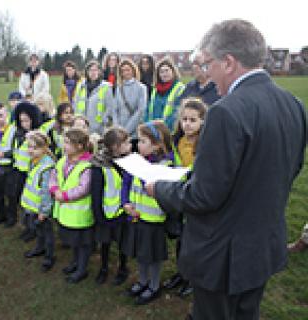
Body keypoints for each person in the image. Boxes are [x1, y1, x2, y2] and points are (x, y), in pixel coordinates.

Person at [145, 19, 307, 320]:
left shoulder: (225, 112)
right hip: (262, 246)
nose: (206, 73)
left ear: (229, 62)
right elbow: (290, 170)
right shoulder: (294, 104)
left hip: (222, 255)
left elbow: (203, 197)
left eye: (207, 64)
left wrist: (158, 188)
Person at [123, 121, 173, 305]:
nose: (138, 145)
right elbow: (127, 184)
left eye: (143, 141)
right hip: (138, 217)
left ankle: (154, 285)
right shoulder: (138, 161)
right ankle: (142, 281)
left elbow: (168, 194)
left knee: (152, 256)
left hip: (154, 220)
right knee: (141, 253)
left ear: (157, 145)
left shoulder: (166, 165)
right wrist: (126, 204)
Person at [163, 97, 207, 298]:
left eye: (193, 120)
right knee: (180, 238)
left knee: (193, 240)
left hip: (195, 195)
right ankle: (181, 273)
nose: (187, 124)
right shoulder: (177, 140)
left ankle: (192, 278)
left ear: (202, 122)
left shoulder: (205, 143)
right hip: (179, 191)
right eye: (184, 119)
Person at [50, 128, 93, 284]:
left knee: (82, 243)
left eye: (68, 143)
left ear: (80, 146)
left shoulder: (87, 166)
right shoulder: (63, 160)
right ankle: (75, 263)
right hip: (67, 213)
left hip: (81, 216)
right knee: (74, 242)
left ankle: (82, 269)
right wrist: (54, 190)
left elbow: (84, 188)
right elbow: (53, 176)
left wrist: (65, 195)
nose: (64, 145)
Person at [91, 127, 132, 286]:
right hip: (106, 213)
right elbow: (96, 192)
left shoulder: (130, 162)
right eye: (126, 142)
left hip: (123, 212)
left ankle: (123, 268)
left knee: (123, 243)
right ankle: (104, 267)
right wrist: (98, 215)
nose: (130, 145)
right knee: (105, 242)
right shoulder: (99, 165)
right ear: (115, 146)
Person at [22, 130, 57, 272]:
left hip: (42, 210)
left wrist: (44, 211)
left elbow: (46, 192)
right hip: (33, 207)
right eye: (29, 147)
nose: (30, 150)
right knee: (39, 231)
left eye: (34, 148)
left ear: (44, 149)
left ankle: (49, 256)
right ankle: (39, 248)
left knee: (47, 233)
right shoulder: (34, 162)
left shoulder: (47, 167)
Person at [12, 101, 42, 241]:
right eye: (21, 120)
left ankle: (34, 229)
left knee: (32, 203)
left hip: (31, 174)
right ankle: (27, 226)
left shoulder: (37, 135)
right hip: (19, 171)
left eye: (27, 120)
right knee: (23, 201)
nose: (24, 123)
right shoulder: (19, 134)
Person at [73, 60, 115, 136]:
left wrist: (103, 121)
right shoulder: (80, 86)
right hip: (81, 126)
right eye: (91, 70)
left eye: (95, 70)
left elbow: (110, 108)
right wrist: (77, 121)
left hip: (99, 128)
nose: (93, 72)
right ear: (87, 72)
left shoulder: (106, 86)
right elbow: (75, 104)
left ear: (99, 72)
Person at [145, 57, 185, 132]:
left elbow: (177, 113)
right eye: (161, 72)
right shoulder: (155, 90)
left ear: (173, 71)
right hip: (152, 132)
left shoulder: (180, 88)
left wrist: (162, 129)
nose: (164, 74)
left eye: (167, 71)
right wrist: (149, 127)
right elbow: (148, 111)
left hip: (169, 132)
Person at [113, 58, 147, 138]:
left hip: (134, 132)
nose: (125, 72)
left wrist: (126, 130)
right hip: (119, 132)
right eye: (123, 71)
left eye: (128, 70)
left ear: (133, 70)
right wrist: (117, 128)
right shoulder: (119, 88)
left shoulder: (141, 87)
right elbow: (115, 110)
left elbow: (140, 111)